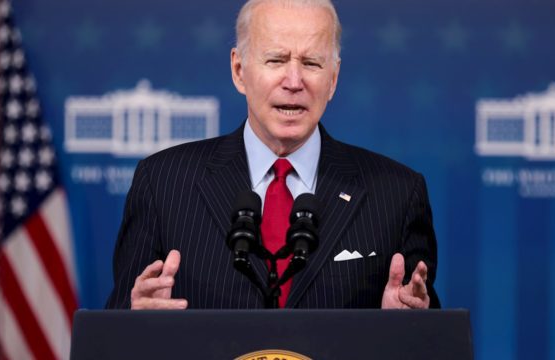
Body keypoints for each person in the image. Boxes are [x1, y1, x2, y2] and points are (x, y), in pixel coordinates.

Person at [106, 0, 439, 310]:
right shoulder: (164, 183)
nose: (293, 81)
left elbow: (430, 342)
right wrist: (137, 321)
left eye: (311, 63)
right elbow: (112, 340)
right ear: (239, 70)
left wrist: (404, 329)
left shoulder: (396, 194)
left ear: (333, 78)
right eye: (276, 60)